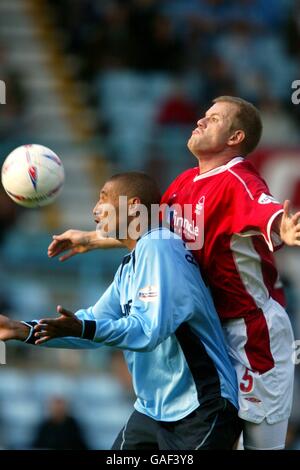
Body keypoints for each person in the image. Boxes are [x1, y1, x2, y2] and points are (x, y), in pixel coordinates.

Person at [47, 96, 300, 450]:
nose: (200, 121)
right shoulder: (185, 182)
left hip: (253, 335)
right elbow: (147, 227)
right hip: (213, 332)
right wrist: (89, 239)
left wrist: (284, 228)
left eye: (213, 119)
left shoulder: (237, 181)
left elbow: (267, 211)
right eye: (204, 115)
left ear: (235, 138)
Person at [0, 172, 241, 450]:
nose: (94, 209)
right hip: (153, 411)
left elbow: (147, 331)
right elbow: (91, 323)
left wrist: (83, 328)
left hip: (200, 407)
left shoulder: (159, 246)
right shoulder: (130, 266)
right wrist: (21, 329)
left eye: (103, 198)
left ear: (134, 207)